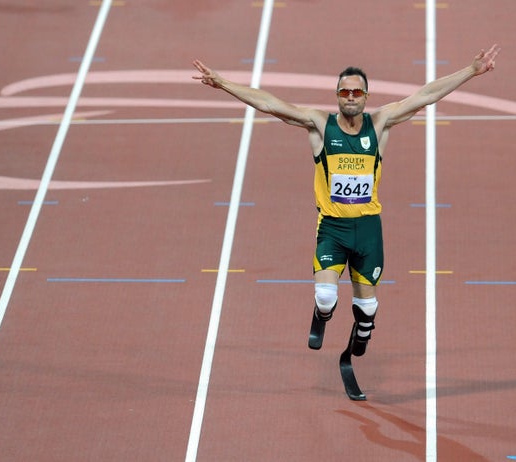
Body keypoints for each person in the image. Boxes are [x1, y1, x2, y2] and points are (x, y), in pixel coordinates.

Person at [192, 44, 499, 357]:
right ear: (337, 95)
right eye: (345, 92)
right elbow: (271, 104)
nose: (350, 96)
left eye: (357, 92)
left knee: (367, 307)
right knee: (325, 296)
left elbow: (426, 95)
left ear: (366, 96)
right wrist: (224, 83)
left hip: (367, 228)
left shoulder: (380, 123)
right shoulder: (319, 125)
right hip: (333, 227)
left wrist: (470, 71)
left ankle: (364, 327)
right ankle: (322, 314)